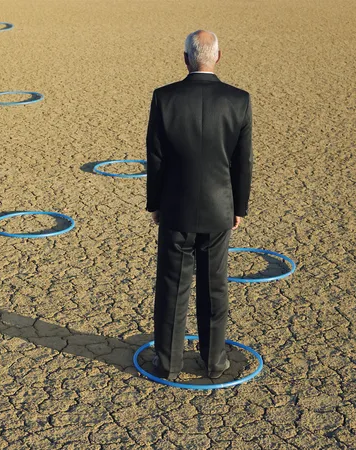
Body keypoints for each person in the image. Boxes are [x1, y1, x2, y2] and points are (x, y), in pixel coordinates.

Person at [146, 30, 253, 380]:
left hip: (176, 207)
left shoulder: (165, 98)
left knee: (172, 286)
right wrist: (239, 207)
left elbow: (156, 157)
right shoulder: (238, 100)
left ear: (185, 58)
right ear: (218, 57)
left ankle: (169, 363)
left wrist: (156, 204)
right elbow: (243, 161)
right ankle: (214, 362)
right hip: (220, 208)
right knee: (215, 286)